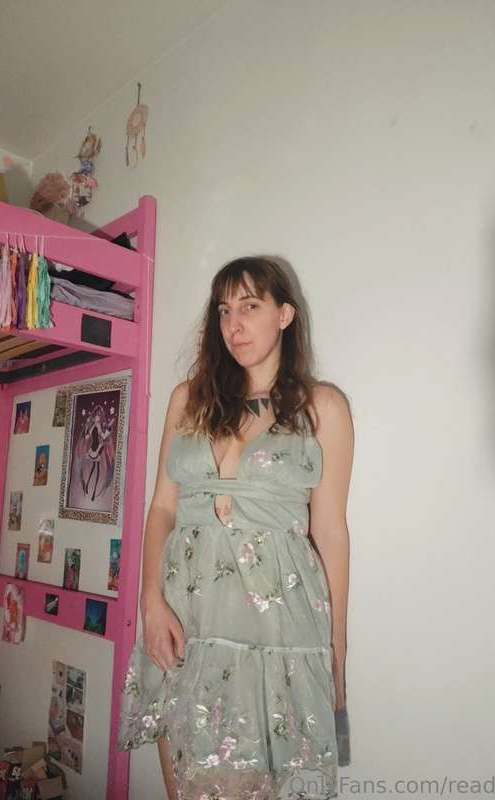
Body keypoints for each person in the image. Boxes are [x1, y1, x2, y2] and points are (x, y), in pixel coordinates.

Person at [117, 256, 354, 800]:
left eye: (249, 306)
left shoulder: (323, 407)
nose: (234, 324)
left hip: (271, 627)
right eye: (224, 311)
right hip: (185, 615)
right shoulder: (189, 400)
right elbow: (162, 510)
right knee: (185, 783)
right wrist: (150, 602)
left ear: (285, 315)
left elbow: (331, 534)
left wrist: (336, 651)